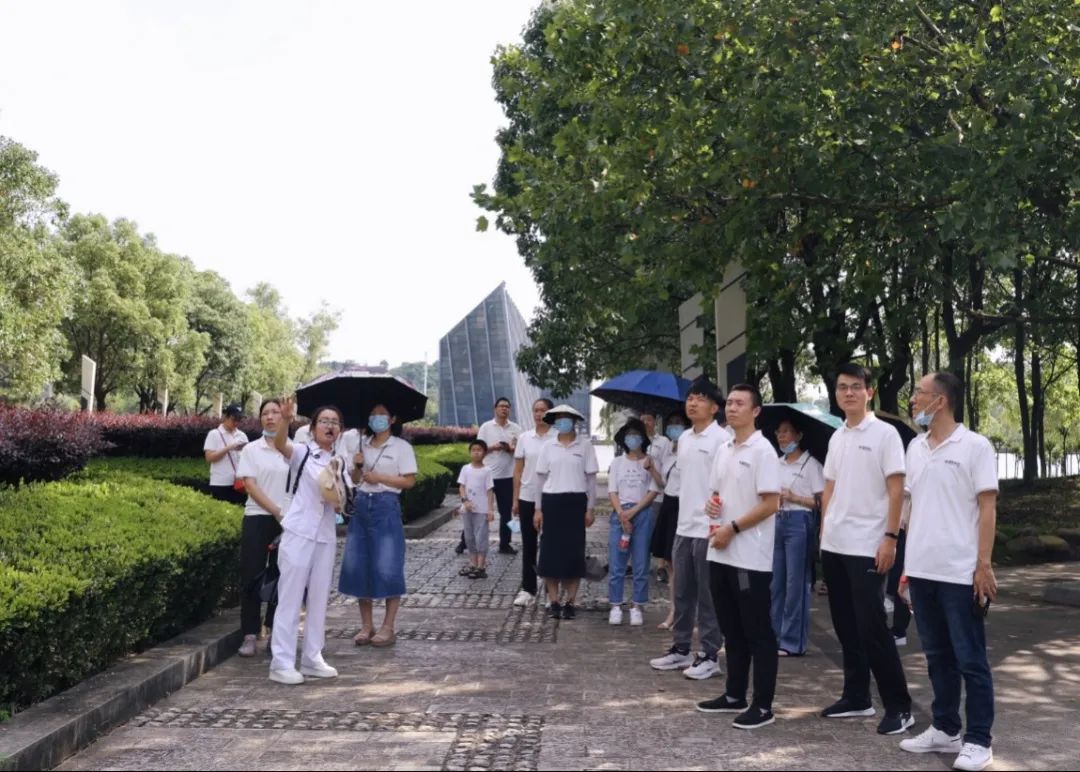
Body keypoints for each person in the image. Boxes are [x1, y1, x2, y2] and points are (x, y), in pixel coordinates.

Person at [899, 372, 999, 772]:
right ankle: (945, 727)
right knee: (937, 655)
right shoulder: (915, 447)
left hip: (960, 572)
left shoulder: (975, 446)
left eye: (918, 393)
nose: (912, 400)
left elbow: (987, 508)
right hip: (922, 570)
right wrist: (906, 567)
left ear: (939, 401)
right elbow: (911, 507)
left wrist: (983, 564)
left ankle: (979, 740)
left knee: (970, 658)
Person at [819, 363, 913, 734]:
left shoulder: (885, 434)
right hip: (836, 543)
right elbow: (829, 487)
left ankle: (899, 706)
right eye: (842, 387)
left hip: (869, 543)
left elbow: (897, 488)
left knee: (873, 626)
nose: (849, 393)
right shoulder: (837, 436)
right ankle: (856, 696)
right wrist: (824, 532)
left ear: (869, 392)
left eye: (856, 386)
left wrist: (890, 537)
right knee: (845, 624)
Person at [697, 384, 782, 729]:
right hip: (721, 552)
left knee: (757, 631)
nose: (731, 408)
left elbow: (771, 503)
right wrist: (712, 506)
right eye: (729, 403)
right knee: (731, 628)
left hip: (750, 557)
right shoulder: (724, 449)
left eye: (739, 403)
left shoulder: (763, 451)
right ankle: (734, 693)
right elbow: (717, 493)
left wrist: (732, 527)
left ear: (755, 411)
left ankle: (763, 705)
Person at [649, 376, 728, 681]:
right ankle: (681, 648)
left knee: (708, 596)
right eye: (690, 398)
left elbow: (725, 485)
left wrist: (720, 525)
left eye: (700, 399)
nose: (693, 403)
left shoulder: (722, 439)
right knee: (681, 592)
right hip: (684, 527)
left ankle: (710, 654)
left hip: (708, 529)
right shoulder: (684, 439)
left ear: (714, 407)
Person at [268, 399, 349, 685]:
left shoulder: (339, 462)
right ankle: (281, 663)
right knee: (290, 599)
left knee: (318, 599)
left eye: (335, 422)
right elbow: (280, 444)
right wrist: (285, 420)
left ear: (340, 430)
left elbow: (343, 501)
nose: (330, 426)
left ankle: (313, 657)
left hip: (325, 535)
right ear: (313, 428)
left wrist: (342, 492)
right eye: (324, 421)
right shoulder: (303, 453)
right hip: (299, 532)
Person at [338, 403, 418, 647]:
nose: (377, 418)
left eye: (382, 414)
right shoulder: (361, 444)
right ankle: (366, 625)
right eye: (373, 414)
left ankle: (388, 626)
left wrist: (380, 477)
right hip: (362, 505)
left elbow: (409, 481)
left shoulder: (401, 447)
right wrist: (357, 466)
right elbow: (354, 480)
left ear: (392, 419)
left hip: (386, 505)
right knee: (359, 564)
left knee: (388, 565)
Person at [235, 398, 289, 657]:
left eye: (275, 412)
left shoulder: (293, 450)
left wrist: (286, 514)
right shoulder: (251, 450)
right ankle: (249, 633)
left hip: (287, 522)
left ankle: (273, 630)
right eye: (265, 413)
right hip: (258, 517)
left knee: (282, 577)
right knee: (251, 575)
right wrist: (276, 510)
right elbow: (250, 485)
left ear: (284, 416)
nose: (270, 417)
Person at [533, 404, 598, 620]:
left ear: (574, 421)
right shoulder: (548, 447)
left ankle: (570, 601)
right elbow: (540, 480)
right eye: (559, 418)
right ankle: (553, 601)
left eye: (567, 418)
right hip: (552, 502)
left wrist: (590, 508)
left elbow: (591, 480)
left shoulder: (585, 445)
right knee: (550, 554)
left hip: (576, 502)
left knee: (573, 554)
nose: (563, 422)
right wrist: (538, 509)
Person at [771, 419, 826, 657]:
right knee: (776, 582)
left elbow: (822, 501)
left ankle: (792, 641)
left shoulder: (811, 464)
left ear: (799, 435)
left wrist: (795, 498)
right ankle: (773, 635)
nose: (782, 436)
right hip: (777, 520)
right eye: (779, 431)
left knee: (796, 583)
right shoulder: (776, 463)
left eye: (787, 432)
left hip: (800, 521)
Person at [607, 417, 661, 626]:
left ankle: (637, 605)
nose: (632, 438)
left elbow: (654, 490)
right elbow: (612, 490)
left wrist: (634, 511)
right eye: (629, 435)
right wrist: (622, 513)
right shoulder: (617, 463)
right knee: (617, 562)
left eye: (636, 434)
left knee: (641, 563)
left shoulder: (649, 462)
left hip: (643, 513)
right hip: (620, 515)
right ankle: (615, 605)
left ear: (643, 438)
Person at [511, 398, 556, 607]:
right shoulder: (524, 438)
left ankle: (550, 590)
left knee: (550, 544)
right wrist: (515, 498)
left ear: (550, 413)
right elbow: (518, 470)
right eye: (535, 410)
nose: (539, 414)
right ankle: (528, 588)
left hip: (551, 496)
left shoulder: (557, 438)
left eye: (543, 410)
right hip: (527, 496)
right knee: (529, 544)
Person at [650, 410, 689, 629]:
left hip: (685, 506)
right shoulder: (668, 453)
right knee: (671, 564)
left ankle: (689, 613)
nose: (674, 428)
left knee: (686, 565)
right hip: (668, 504)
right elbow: (664, 483)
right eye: (671, 424)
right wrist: (652, 469)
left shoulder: (691, 452)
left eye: (678, 424)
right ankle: (674, 610)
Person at [477, 397, 523, 555]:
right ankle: (465, 542)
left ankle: (505, 544)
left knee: (506, 513)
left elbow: (521, 451)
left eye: (507, 406)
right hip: (487, 475)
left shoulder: (516, 428)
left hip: (508, 476)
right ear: (495, 408)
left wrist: (510, 449)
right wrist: (493, 447)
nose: (504, 409)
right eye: (501, 406)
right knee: (478, 509)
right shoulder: (486, 427)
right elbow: (478, 450)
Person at [456, 439, 496, 579]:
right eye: (474, 450)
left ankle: (481, 566)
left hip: (482, 510)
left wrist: (490, 509)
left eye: (479, 450)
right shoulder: (465, 469)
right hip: (468, 509)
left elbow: (489, 490)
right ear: (470, 452)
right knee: (469, 537)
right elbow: (461, 486)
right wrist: (465, 500)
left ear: (484, 453)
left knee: (481, 537)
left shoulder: (487, 470)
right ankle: (473, 563)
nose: (476, 452)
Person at [203, 403, 249, 504]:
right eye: (234, 419)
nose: (236, 422)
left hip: (239, 482)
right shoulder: (214, 434)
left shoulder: (242, 435)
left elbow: (248, 459)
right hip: (220, 483)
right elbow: (209, 458)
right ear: (226, 417)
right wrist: (229, 448)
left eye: (239, 419)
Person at [885, 501, 912, 646]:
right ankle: (898, 630)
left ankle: (899, 631)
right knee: (896, 576)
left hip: (903, 527)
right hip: (896, 525)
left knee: (900, 578)